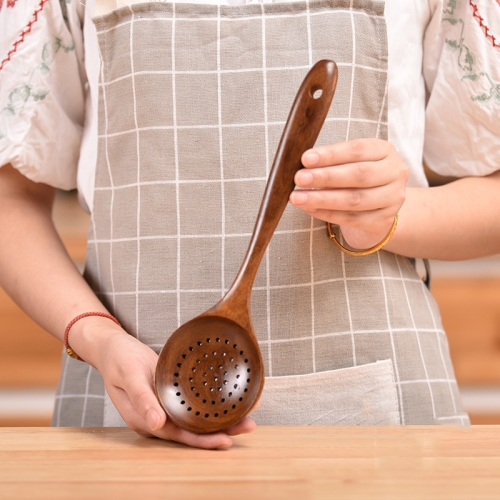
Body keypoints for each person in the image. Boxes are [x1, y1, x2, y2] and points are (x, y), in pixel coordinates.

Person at [0, 0, 499, 449]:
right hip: (132, 411)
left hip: (382, 428)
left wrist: (396, 214)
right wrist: (99, 339)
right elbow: (11, 199)